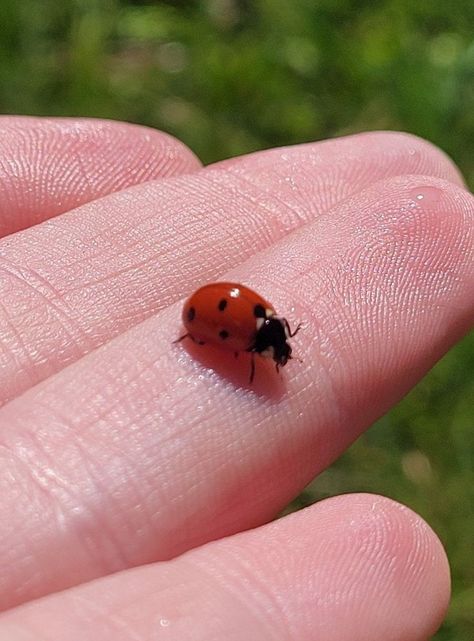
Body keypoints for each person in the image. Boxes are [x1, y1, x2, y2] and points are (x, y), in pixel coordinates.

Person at [0, 117, 472, 639]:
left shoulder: (259, 326)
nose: (278, 355)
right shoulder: (252, 337)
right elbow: (224, 332)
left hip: (211, 315)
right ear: (270, 343)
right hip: (203, 317)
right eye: (277, 351)